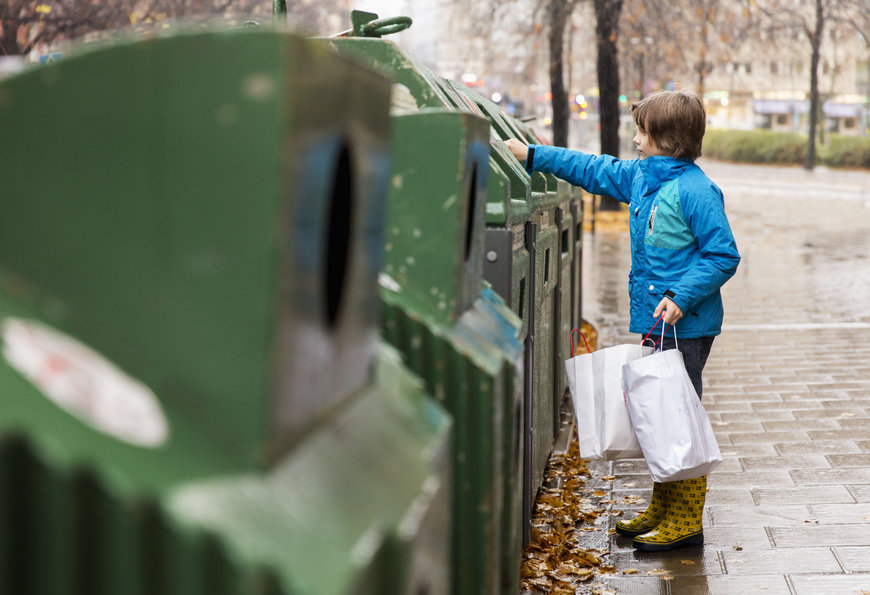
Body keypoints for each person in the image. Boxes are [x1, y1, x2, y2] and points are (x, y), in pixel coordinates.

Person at [506, 90, 740, 552]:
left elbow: (722, 255)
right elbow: (593, 169)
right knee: (661, 408)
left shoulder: (695, 190)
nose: (634, 139)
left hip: (685, 323)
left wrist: (680, 296)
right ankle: (664, 506)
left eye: (642, 132)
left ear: (666, 139)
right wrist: (533, 155)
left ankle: (687, 520)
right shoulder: (642, 178)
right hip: (658, 321)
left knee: (680, 415)